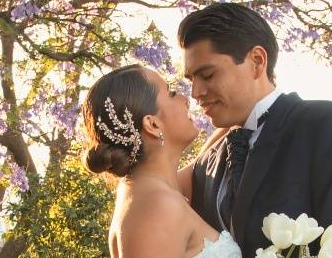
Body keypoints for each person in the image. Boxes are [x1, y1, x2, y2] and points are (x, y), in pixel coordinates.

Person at [176, 3, 332, 258]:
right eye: (191, 80)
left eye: (207, 75)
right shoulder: (205, 165)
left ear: (257, 61)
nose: (196, 92)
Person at [82, 65, 241, 257]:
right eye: (171, 93)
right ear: (153, 124)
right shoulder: (157, 207)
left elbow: (202, 159)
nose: (185, 99)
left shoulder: (147, 188)